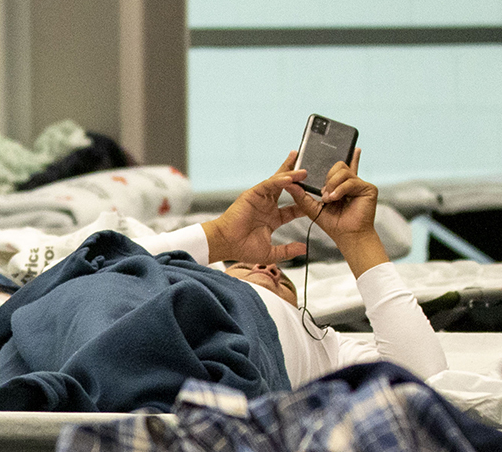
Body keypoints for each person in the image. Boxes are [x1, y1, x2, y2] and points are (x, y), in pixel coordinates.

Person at [154, 149, 446, 385]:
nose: (271, 269)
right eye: (244, 267)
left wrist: (359, 240)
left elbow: (423, 378)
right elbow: (113, 256)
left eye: (285, 283)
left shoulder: (322, 344)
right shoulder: (189, 275)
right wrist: (217, 237)